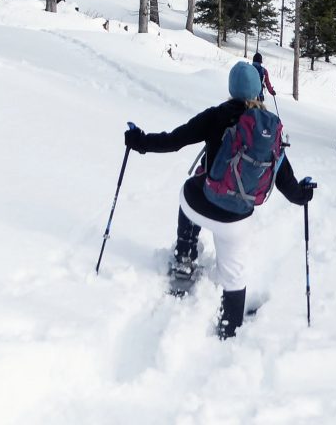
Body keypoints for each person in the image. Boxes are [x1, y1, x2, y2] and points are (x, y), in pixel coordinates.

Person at [124, 61, 315, 339]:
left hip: (203, 205)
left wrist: (138, 141)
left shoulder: (216, 116)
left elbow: (175, 140)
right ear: (258, 90)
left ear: (230, 89)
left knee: (189, 190)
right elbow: (287, 183)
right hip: (237, 219)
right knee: (234, 274)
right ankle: (230, 327)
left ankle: (185, 260)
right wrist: (304, 194)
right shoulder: (269, 130)